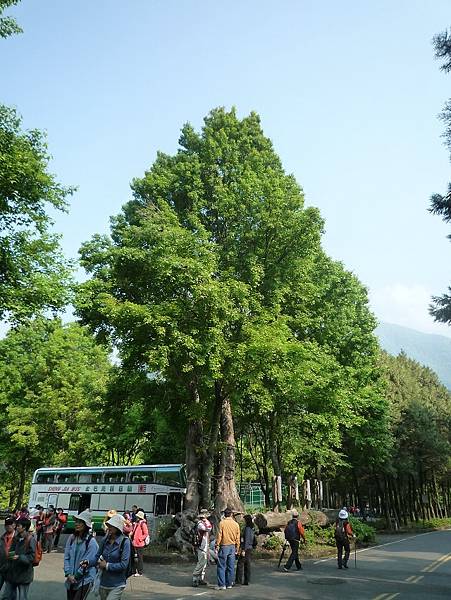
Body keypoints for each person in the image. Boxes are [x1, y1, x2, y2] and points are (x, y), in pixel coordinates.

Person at [85, 513, 131, 600]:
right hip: (103, 582)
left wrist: (107, 565)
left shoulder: (125, 542)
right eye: (108, 525)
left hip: (118, 583)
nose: (109, 527)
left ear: (118, 528)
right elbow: (97, 556)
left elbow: (124, 564)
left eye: (111, 525)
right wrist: (87, 562)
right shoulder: (105, 540)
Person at [64, 510, 98, 600]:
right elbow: (66, 557)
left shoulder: (91, 542)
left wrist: (77, 575)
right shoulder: (71, 538)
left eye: (80, 522)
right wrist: (68, 574)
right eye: (76, 521)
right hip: (71, 577)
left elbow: (88, 561)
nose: (77, 524)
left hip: (85, 579)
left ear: (86, 525)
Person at [2, 517, 36, 600]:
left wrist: (19, 557)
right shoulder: (16, 538)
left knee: (22, 597)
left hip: (24, 575)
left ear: (24, 527)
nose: (16, 527)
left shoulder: (31, 539)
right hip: (12, 573)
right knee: (7, 596)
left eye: (18, 526)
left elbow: (32, 557)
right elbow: (11, 551)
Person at [215, 508, 240, 591]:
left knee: (221, 566)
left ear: (224, 514)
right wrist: (237, 547)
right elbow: (238, 537)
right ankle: (229, 583)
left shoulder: (222, 523)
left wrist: (217, 544)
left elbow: (219, 535)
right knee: (231, 566)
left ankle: (222, 584)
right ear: (231, 514)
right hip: (232, 546)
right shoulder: (236, 524)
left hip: (224, 546)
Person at [192, 509, 212, 587]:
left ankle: (201, 578)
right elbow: (209, 528)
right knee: (201, 563)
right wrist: (206, 520)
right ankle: (195, 578)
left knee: (204, 563)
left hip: (204, 546)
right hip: (201, 546)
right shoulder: (200, 524)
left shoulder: (202, 523)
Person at [235, 514, 256, 586]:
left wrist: (243, 549)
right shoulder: (252, 528)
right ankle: (247, 580)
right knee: (247, 564)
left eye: (244, 520)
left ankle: (238, 580)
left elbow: (246, 540)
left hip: (246, 548)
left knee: (240, 564)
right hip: (250, 548)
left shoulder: (247, 528)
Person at [130, 511, 149, 577]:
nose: (136, 517)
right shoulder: (137, 523)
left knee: (139, 558)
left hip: (140, 543)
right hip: (135, 543)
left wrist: (140, 538)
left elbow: (146, 533)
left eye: (137, 516)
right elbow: (133, 531)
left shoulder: (143, 524)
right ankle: (134, 570)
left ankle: (140, 571)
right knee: (134, 557)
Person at [0, 518, 16, 593]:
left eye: (10, 524)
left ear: (14, 525)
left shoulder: (19, 538)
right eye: (6, 524)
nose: (8, 526)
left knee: (10, 592)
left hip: (12, 569)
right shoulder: (2, 538)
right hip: (1, 567)